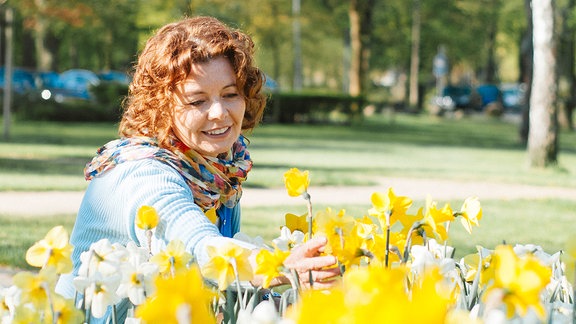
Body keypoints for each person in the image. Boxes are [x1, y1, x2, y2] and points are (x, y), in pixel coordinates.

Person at [55, 16, 340, 322]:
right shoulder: (144, 173)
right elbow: (197, 247)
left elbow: (213, 285)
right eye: (197, 101)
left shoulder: (219, 171)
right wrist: (282, 265)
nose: (219, 113)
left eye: (230, 94)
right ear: (161, 106)